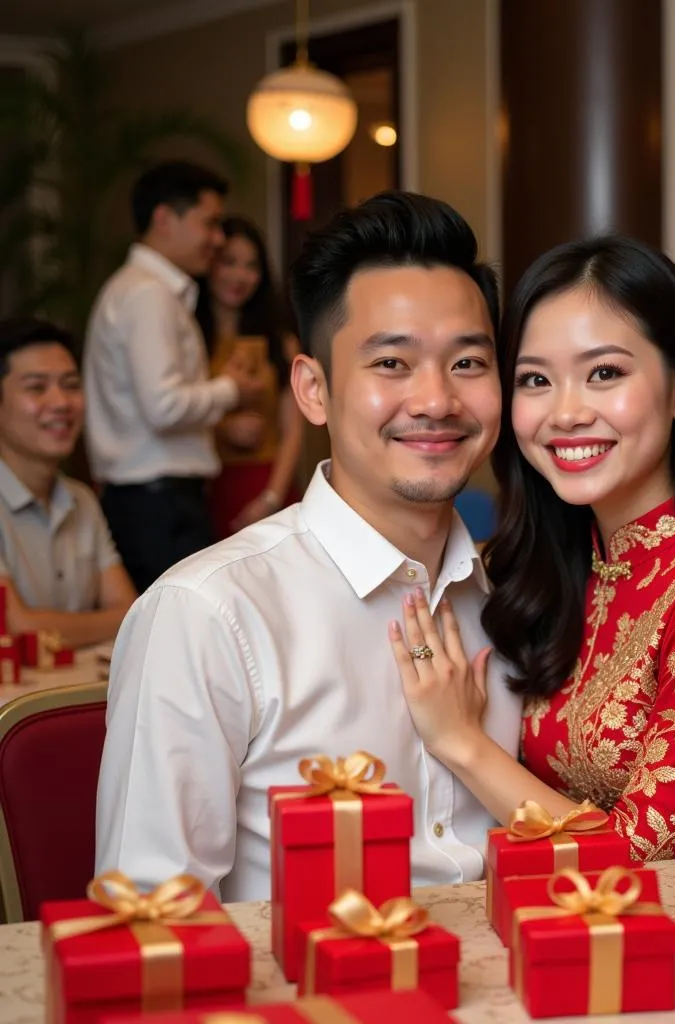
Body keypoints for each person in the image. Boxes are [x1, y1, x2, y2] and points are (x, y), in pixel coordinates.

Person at [95, 191, 522, 901]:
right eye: (391, 364)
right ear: (314, 390)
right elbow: (151, 926)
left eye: (468, 363)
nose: (437, 400)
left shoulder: (513, 599)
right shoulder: (207, 614)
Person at [389, 235, 675, 858]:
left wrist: (462, 742)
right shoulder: (558, 570)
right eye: (535, 379)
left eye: (605, 373)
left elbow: (642, 855)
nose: (565, 413)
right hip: (592, 935)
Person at [83, 161, 267, 592]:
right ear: (165, 218)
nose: (217, 239)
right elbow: (163, 405)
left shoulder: (145, 290)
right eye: (210, 223)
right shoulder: (148, 294)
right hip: (157, 503)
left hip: (155, 499)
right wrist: (231, 390)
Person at [0, 318, 136, 646]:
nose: (61, 402)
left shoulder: (82, 500)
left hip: (78, 694)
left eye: (71, 384)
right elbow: (16, 627)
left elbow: (133, 613)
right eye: (36, 387)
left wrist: (44, 629)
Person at [195, 216, 303, 537]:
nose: (240, 276)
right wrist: (221, 428)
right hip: (203, 486)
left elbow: (293, 430)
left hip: (267, 484)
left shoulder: (279, 340)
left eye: (251, 266)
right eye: (228, 262)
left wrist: (271, 497)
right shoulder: (187, 336)